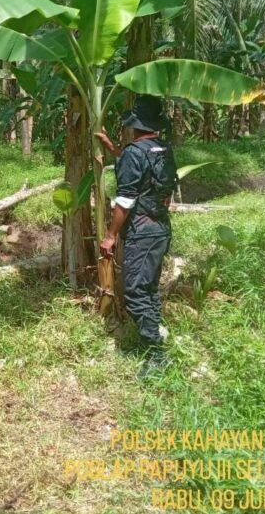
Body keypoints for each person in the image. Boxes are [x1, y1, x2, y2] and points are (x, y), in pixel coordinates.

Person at [96, 95, 178, 380]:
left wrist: (110, 235)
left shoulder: (135, 152)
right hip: (160, 228)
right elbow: (143, 175)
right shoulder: (163, 149)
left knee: (134, 291)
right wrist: (113, 149)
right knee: (149, 286)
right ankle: (157, 333)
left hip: (142, 232)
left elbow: (127, 198)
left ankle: (156, 355)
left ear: (135, 125)